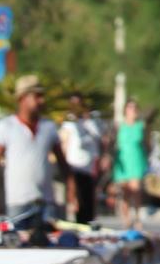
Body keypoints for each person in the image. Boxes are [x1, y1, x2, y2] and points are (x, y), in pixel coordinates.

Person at [0, 78, 67, 230]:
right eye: (36, 96)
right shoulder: (5, 126)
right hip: (18, 203)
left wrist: (71, 191)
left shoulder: (48, 127)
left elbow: (63, 163)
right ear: (22, 98)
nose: (41, 101)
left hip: (45, 202)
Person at [59, 92, 107, 227]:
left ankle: (87, 224)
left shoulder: (90, 123)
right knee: (75, 200)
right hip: (74, 166)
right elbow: (63, 143)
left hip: (89, 167)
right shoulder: (68, 124)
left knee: (88, 201)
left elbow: (100, 140)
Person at [109, 96, 149, 228]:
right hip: (123, 161)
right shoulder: (119, 126)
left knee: (136, 190)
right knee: (125, 192)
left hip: (136, 159)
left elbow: (147, 144)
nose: (132, 110)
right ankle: (126, 220)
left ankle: (137, 218)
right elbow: (113, 144)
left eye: (134, 108)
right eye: (130, 108)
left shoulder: (141, 126)